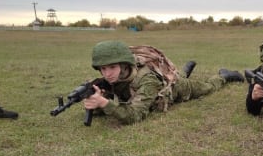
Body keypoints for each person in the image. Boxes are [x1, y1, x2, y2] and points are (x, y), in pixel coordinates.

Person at [83, 40, 244, 125]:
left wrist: (104, 103)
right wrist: (97, 104)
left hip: (176, 89)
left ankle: (224, 76)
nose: (107, 73)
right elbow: (117, 104)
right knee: (178, 74)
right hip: (162, 80)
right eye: (103, 68)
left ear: (124, 64)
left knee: (206, 88)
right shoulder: (111, 78)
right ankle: (185, 69)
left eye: (112, 67)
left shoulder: (146, 79)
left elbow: (134, 116)